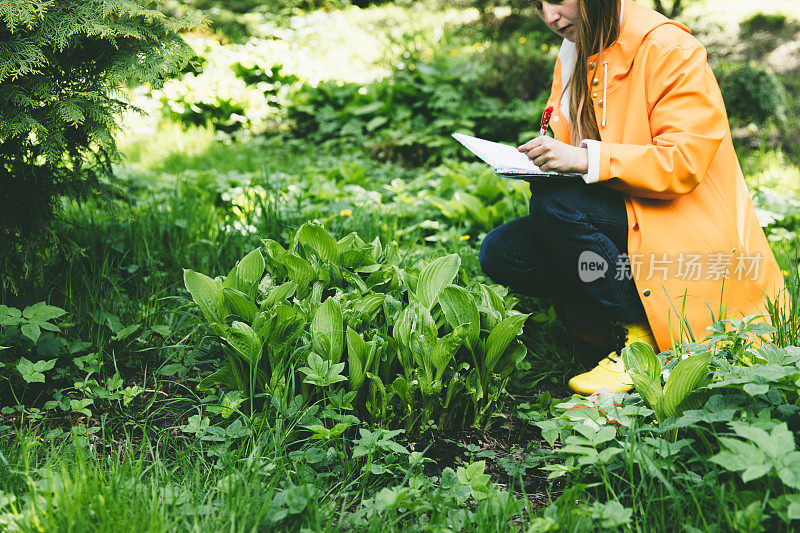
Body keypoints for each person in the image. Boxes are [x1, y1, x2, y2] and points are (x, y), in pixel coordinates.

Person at [479, 0, 788, 395]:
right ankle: (623, 320)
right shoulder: (574, 52)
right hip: (626, 209)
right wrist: (548, 160)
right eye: (538, 5)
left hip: (682, 223)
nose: (549, 17)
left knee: (556, 203)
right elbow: (577, 146)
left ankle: (641, 342)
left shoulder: (668, 48)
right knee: (503, 251)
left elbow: (684, 161)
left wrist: (584, 158)